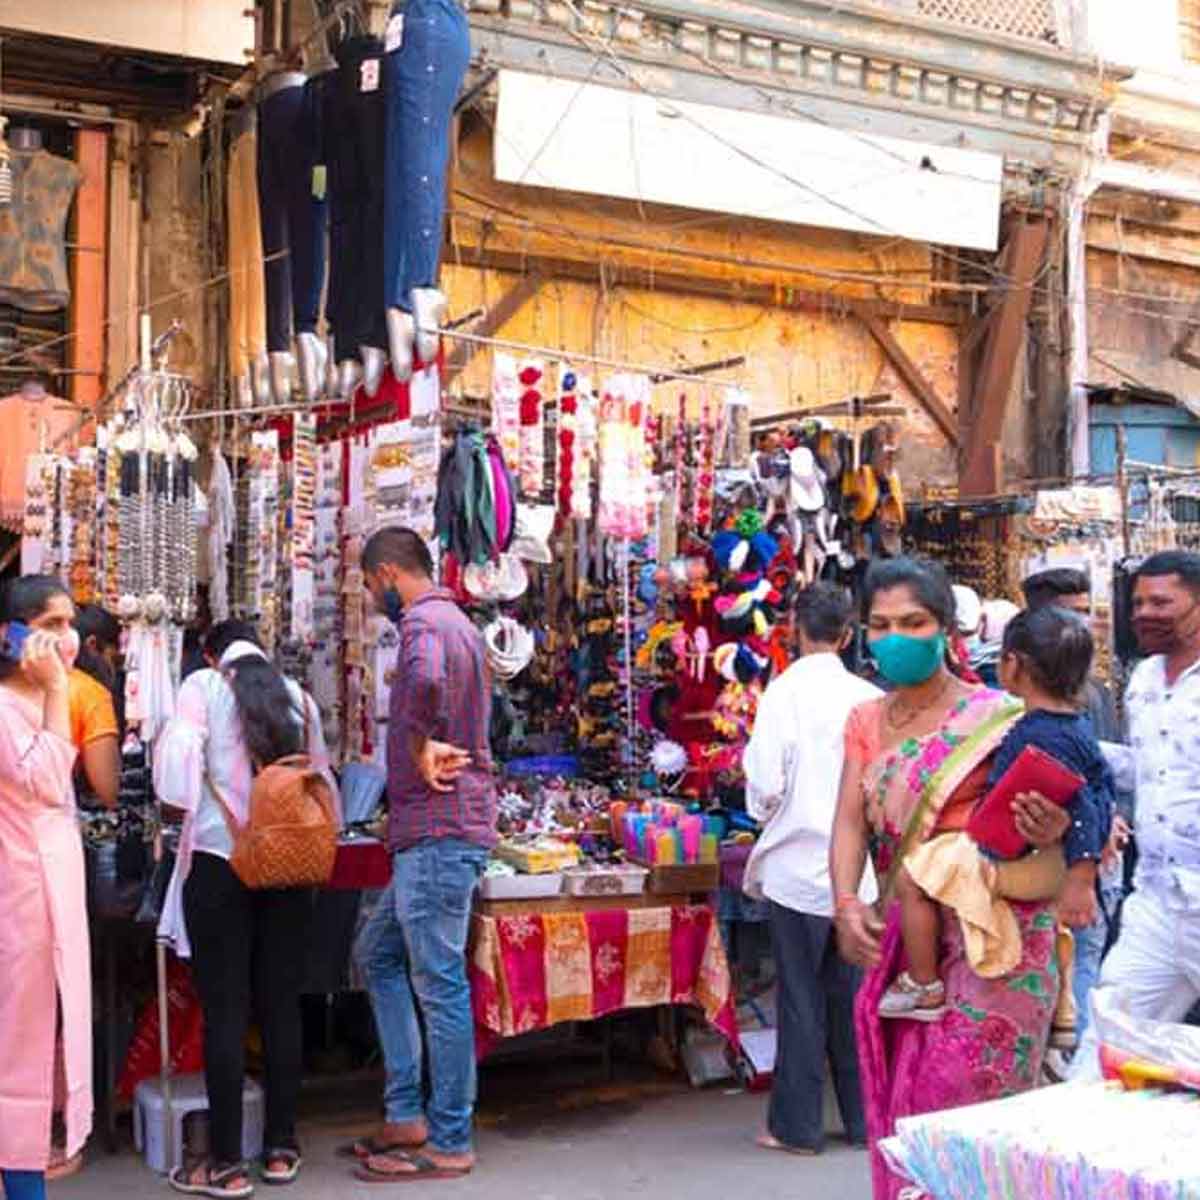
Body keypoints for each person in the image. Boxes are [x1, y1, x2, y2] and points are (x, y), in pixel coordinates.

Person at [829, 558, 1071, 1200]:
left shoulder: (1002, 718)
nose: (894, 637)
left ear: (947, 630)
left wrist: (1052, 830)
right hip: (910, 942)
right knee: (911, 1109)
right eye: (879, 625)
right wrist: (846, 901)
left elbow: (1053, 836)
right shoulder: (864, 721)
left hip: (998, 943)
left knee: (965, 1103)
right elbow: (850, 823)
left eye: (913, 621)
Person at [155, 620, 336, 1197]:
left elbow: (176, 781)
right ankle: (281, 1148)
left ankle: (227, 1164)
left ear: (212, 654)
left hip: (220, 863)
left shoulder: (203, 689)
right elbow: (323, 783)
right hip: (288, 866)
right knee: (281, 1006)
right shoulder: (301, 700)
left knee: (225, 1012)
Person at [880, 607, 1114, 1024]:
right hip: (1031, 857)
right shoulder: (1071, 726)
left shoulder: (1041, 734)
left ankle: (923, 983)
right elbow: (1101, 791)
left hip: (1016, 862)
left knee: (911, 877)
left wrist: (1081, 878)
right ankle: (1062, 1021)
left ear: (1012, 665)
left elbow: (1087, 805)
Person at [352, 527, 497, 1183]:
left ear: (387, 573)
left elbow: (425, 682)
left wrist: (415, 746)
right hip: (434, 831)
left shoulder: (423, 625)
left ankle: (449, 1138)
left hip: (439, 829)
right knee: (378, 954)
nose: (370, 597)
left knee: (438, 983)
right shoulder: (457, 621)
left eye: (367, 585)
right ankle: (407, 1110)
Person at [742, 583, 881, 1156]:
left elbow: (765, 787)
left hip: (797, 869)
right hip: (858, 879)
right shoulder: (869, 696)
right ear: (848, 635)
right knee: (850, 1000)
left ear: (796, 631)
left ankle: (797, 1127)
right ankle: (863, 1122)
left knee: (799, 996)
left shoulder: (783, 693)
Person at [1072, 551, 1200, 1080]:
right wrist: (1070, 750)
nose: (1145, 612)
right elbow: (1144, 771)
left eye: (1162, 602)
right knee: (1106, 1044)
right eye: (1139, 602)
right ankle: (1071, 1156)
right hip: (1157, 901)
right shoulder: (1144, 680)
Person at [0, 576, 93, 1200]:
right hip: (18, 901)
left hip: (43, 898)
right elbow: (45, 780)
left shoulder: (41, 702)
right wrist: (60, 691)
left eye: (70, 624)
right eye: (52, 625)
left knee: (35, 1043)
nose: (68, 638)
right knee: (20, 1051)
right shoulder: (5, 709)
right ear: (13, 636)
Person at [69, 603, 122, 810]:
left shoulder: (22, 682)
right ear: (92, 644)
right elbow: (110, 791)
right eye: (113, 656)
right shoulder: (91, 694)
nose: (115, 666)